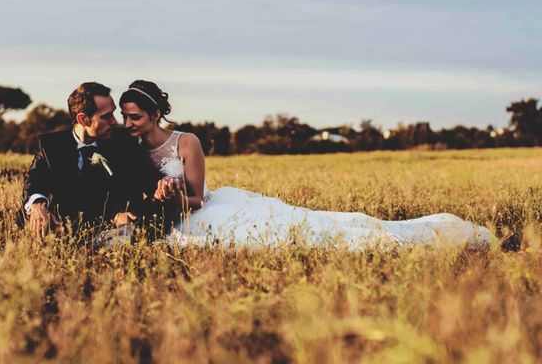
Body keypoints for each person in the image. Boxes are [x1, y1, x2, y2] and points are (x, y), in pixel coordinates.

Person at [117, 80, 496, 250]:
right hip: (162, 219)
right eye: (123, 116)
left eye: (133, 116)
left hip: (195, 211)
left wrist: (173, 194)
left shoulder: (186, 142)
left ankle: (426, 234)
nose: (127, 123)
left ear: (153, 114)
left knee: (293, 230)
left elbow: (196, 197)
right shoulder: (125, 147)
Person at [21, 82, 182, 240]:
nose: (114, 121)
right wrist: (38, 204)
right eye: (106, 116)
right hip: (65, 228)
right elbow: (34, 179)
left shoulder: (124, 141)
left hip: (119, 230)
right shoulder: (51, 145)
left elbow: (149, 177)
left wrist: (164, 182)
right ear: (83, 119)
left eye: (113, 113)